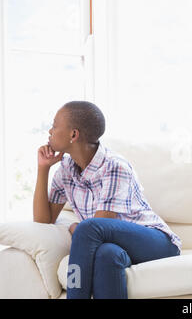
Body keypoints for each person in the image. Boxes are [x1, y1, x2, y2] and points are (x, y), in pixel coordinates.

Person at [33, 101, 181, 299]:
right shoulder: (66, 169)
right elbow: (43, 220)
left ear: (73, 135)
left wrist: (79, 228)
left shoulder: (114, 166)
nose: (50, 130)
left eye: (55, 125)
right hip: (114, 244)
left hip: (156, 241)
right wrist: (43, 168)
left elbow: (98, 227)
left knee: (88, 228)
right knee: (107, 255)